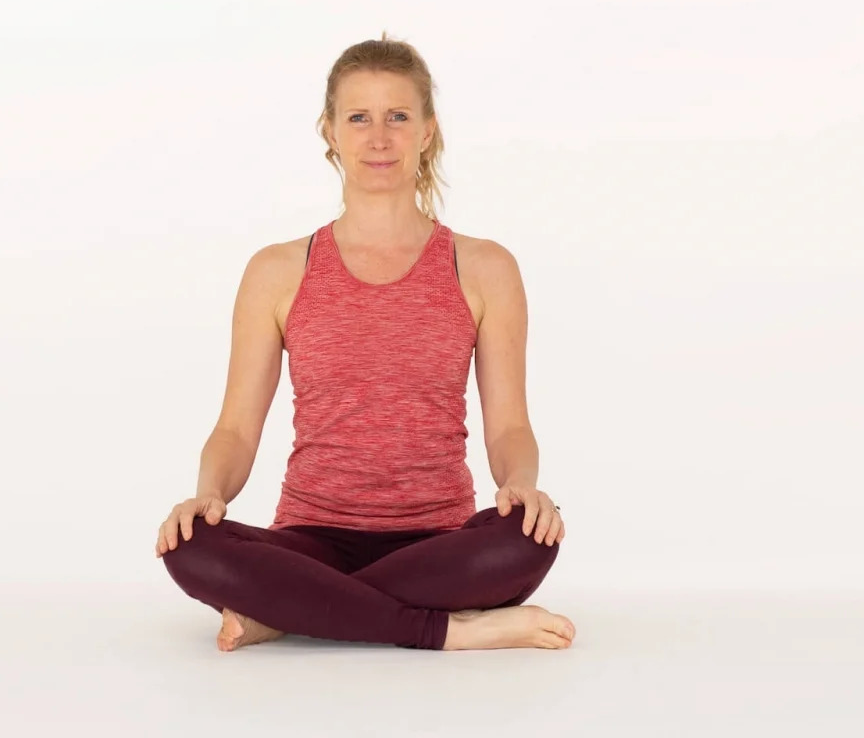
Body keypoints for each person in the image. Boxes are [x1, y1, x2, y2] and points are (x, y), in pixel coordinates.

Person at [155, 33, 576, 653]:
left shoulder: (484, 267)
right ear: (329, 131)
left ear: (427, 130)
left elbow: (510, 425)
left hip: (439, 542)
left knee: (530, 536)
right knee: (189, 546)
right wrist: (210, 495)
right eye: (359, 118)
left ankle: (291, 610)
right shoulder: (278, 270)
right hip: (308, 537)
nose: (379, 138)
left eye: (398, 117)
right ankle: (448, 629)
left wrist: (520, 483)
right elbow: (236, 430)